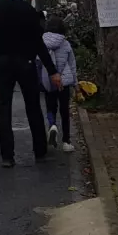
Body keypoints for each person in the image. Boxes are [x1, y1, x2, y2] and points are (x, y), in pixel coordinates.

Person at [0, 0, 61, 167]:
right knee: (33, 106)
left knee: (4, 108)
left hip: (1, 62)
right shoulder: (30, 11)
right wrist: (52, 71)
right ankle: (39, 150)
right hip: (25, 62)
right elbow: (38, 43)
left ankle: (7, 156)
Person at [40, 16, 78, 153]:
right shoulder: (65, 44)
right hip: (64, 80)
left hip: (49, 80)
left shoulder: (42, 42)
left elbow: (38, 61)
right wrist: (75, 83)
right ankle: (66, 141)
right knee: (64, 110)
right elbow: (72, 64)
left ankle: (52, 125)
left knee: (50, 107)